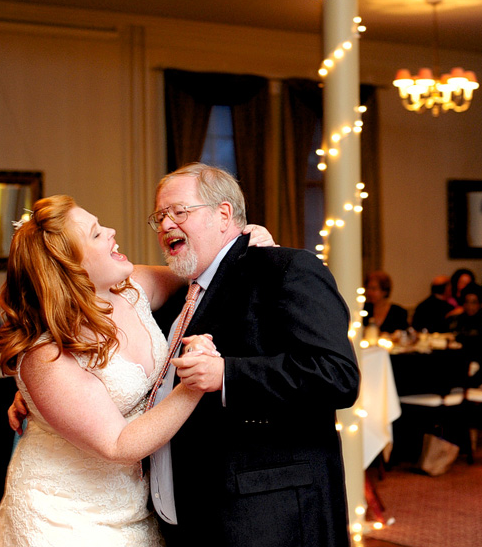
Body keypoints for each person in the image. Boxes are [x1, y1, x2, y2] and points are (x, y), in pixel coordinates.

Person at [0, 194, 275, 546]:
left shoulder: (133, 287)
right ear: (69, 266)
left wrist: (246, 245)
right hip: (64, 514)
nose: (111, 231)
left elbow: (202, 273)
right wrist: (195, 382)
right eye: (95, 234)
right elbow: (118, 443)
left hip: (137, 504)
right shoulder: (46, 356)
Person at [144, 164, 359, 546]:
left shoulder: (286, 269)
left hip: (267, 518)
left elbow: (337, 375)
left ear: (224, 214)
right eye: (159, 216)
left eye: (178, 211)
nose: (165, 225)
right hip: (189, 517)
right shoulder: (177, 297)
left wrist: (227, 374)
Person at [364, 270, 409, 334]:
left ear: (384, 291)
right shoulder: (364, 310)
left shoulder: (399, 312)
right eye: (368, 288)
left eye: (373, 289)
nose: (369, 292)